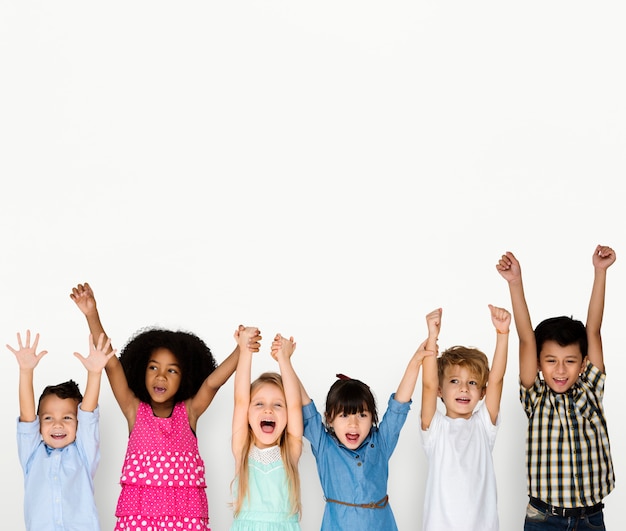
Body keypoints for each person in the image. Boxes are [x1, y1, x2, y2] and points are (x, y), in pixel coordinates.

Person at [70, 282, 260, 531]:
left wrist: (240, 349)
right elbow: (111, 364)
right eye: (153, 367)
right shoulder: (133, 409)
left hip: (186, 519)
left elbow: (213, 383)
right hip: (138, 519)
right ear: (141, 370)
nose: (161, 376)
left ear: (185, 377)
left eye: (172, 370)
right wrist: (91, 314)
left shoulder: (189, 411)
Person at [496, 245, 616, 531]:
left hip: (591, 518)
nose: (560, 370)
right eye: (551, 361)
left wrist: (600, 272)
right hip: (544, 519)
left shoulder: (591, 389)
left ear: (584, 363)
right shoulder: (535, 397)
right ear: (538, 363)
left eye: (570, 361)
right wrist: (515, 282)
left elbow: (593, 330)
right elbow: (526, 339)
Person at [297, 336, 434, 531]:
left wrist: (415, 362)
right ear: (329, 419)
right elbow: (306, 409)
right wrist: (285, 360)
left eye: (362, 415)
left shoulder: (380, 442)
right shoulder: (324, 446)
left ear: (372, 418)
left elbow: (399, 406)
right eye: (344, 415)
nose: (353, 424)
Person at [8, 329, 115, 531]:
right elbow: (27, 416)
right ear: (39, 424)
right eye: (48, 418)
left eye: (67, 418)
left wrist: (94, 373)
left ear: (77, 423)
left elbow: (88, 413)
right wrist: (25, 372)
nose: (57, 425)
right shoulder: (32, 453)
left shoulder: (84, 452)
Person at [420, 305, 511, 531]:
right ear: (441, 390)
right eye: (454, 381)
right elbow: (428, 384)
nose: (464, 389)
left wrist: (502, 334)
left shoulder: (483, 426)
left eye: (472, 383)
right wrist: (432, 338)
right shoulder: (435, 428)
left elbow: (497, 380)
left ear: (482, 392)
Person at [230, 330, 303, 530]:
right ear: (247, 414)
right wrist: (245, 350)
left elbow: (295, 404)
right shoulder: (242, 448)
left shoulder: (290, 452)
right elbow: (241, 399)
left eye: (278, 405)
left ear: (288, 415)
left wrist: (284, 360)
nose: (268, 409)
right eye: (259, 404)